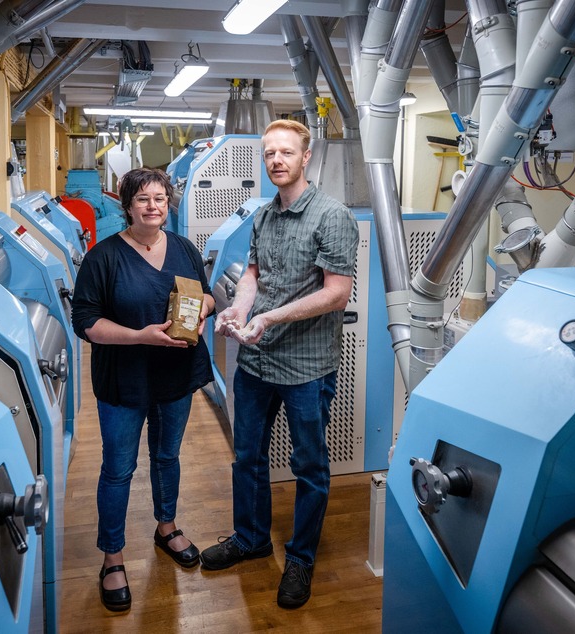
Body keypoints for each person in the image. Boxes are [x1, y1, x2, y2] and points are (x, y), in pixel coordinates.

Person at [199, 120, 359, 609]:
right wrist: (240, 309)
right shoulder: (265, 216)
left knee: (309, 465)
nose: (276, 161)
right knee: (247, 455)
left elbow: (337, 293)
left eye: (286, 152)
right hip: (256, 360)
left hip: (307, 367)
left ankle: (302, 558)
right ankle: (250, 539)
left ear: (305, 156)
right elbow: (251, 273)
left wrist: (270, 316)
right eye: (270, 153)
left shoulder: (332, 216)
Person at [71, 167, 215, 612]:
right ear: (126, 206)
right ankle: (112, 557)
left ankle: (166, 526)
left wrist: (204, 310)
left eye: (160, 198)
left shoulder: (186, 249)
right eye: (143, 200)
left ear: (169, 202)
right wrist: (139, 336)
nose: (153, 207)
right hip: (125, 378)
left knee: (167, 455)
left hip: (176, 374)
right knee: (118, 469)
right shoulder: (104, 257)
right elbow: (86, 323)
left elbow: (207, 295)